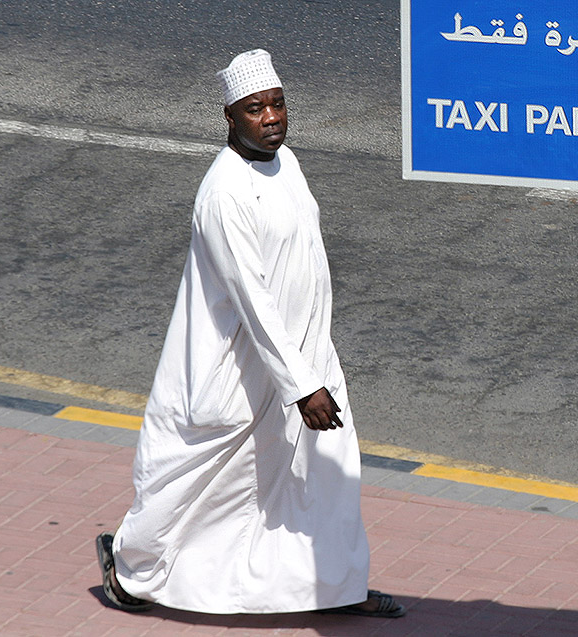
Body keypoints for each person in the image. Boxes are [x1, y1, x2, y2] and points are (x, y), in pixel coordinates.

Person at [94, 49, 404, 619]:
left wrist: (312, 360)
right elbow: (253, 299)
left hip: (306, 350)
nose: (272, 118)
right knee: (202, 478)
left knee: (329, 471)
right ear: (230, 119)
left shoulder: (285, 162)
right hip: (245, 367)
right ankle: (133, 568)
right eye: (255, 109)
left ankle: (336, 587)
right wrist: (300, 385)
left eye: (278, 105)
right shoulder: (224, 192)